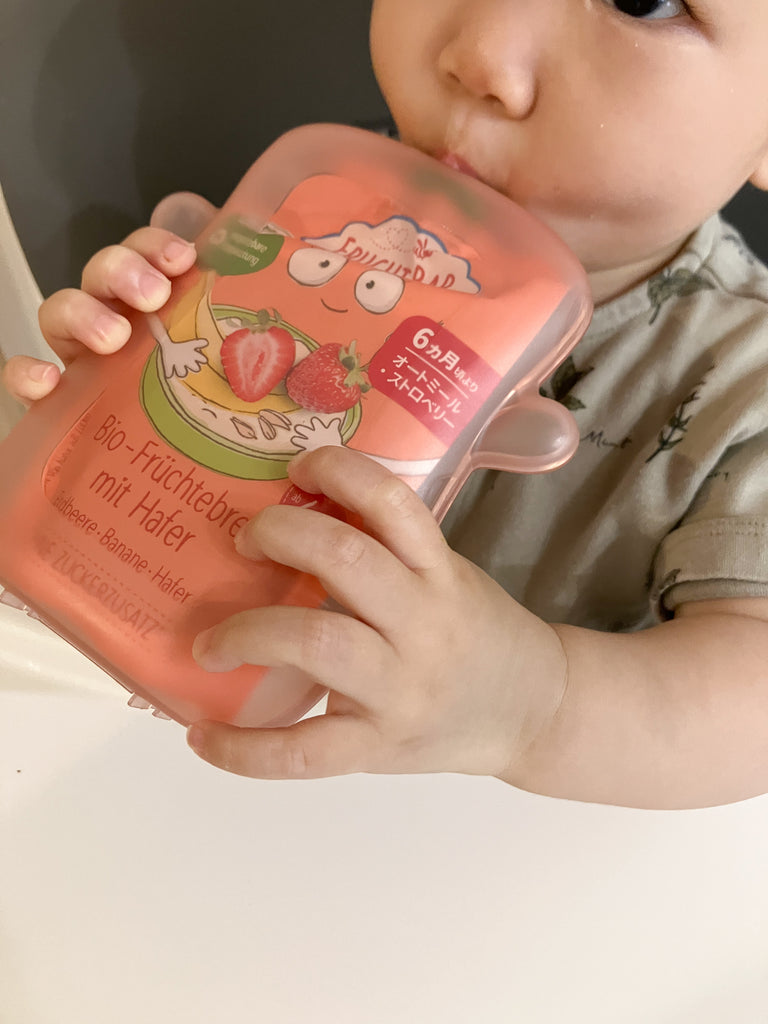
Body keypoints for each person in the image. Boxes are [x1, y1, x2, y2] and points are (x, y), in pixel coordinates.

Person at [4, 0, 768, 809]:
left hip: (474, 846)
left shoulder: (743, 382)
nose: (482, 54)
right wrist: (111, 398)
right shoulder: (325, 210)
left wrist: (529, 706)